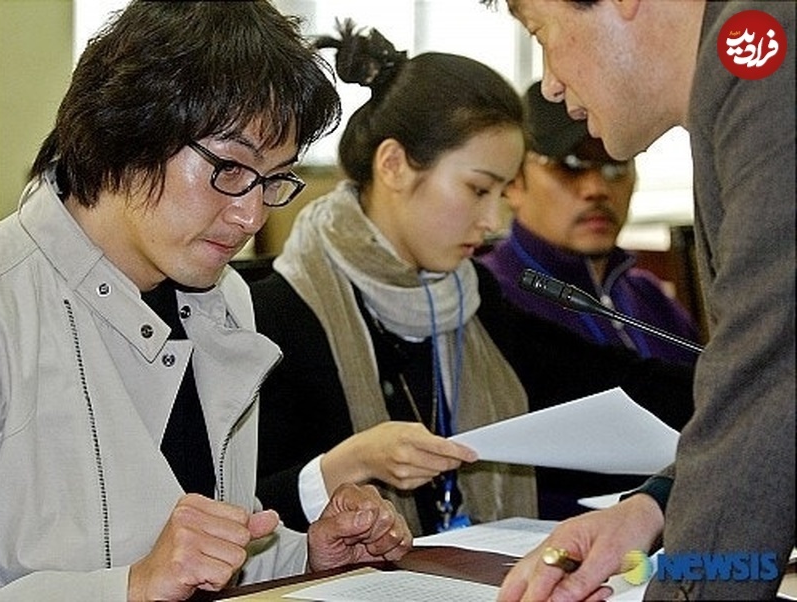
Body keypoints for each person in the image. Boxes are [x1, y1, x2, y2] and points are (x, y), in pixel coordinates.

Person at [0, 3, 414, 600]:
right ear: (127, 129)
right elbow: (153, 571)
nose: (252, 215)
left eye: (273, 179)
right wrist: (132, 586)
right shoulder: (9, 302)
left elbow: (209, 551)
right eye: (231, 168)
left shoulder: (223, 299)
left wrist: (306, 558)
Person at [251, 20, 695, 538]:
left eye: (501, 193)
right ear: (393, 166)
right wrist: (343, 465)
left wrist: (740, 382)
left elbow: (611, 381)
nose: (491, 221)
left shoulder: (472, 297)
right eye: (478, 190)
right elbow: (237, 508)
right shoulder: (275, 316)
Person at [476, 1, 795, 600]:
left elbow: (771, 378)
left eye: (540, 31)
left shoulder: (768, 70)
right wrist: (653, 508)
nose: (550, 81)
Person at [479, 80, 700, 366]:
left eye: (616, 165)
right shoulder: (487, 301)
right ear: (513, 182)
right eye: (570, 165)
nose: (596, 188)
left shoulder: (652, 301)